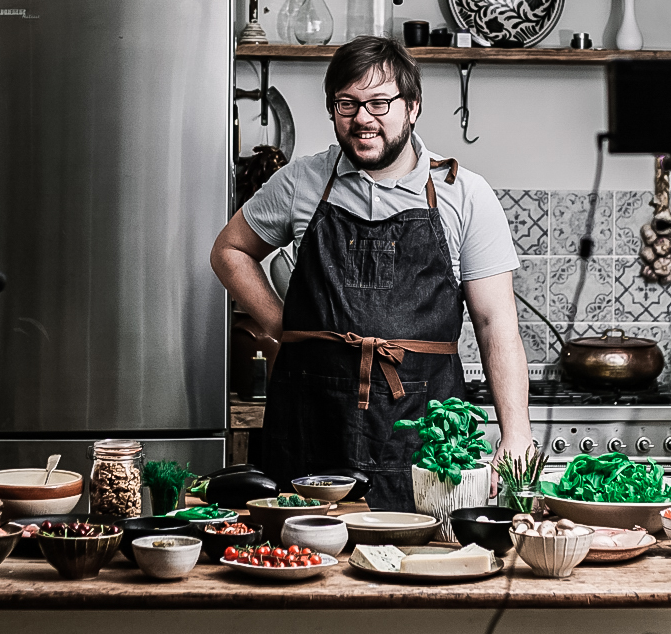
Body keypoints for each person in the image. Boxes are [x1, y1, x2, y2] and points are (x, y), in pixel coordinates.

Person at [211, 36, 533, 511]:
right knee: (304, 564)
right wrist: (284, 326)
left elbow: (495, 324)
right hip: (310, 421)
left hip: (426, 431)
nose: (363, 118)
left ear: (413, 107)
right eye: (347, 103)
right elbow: (230, 250)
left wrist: (517, 433)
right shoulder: (302, 181)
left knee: (421, 566)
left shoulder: (465, 194)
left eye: (380, 102)